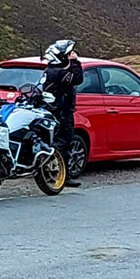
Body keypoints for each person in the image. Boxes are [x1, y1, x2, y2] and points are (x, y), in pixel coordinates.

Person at [41, 39, 83, 186]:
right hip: (61, 113)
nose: (71, 55)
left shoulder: (50, 71)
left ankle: (57, 174)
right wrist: (76, 62)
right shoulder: (59, 73)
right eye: (68, 54)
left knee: (58, 142)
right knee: (63, 143)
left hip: (54, 111)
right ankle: (61, 175)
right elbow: (77, 78)